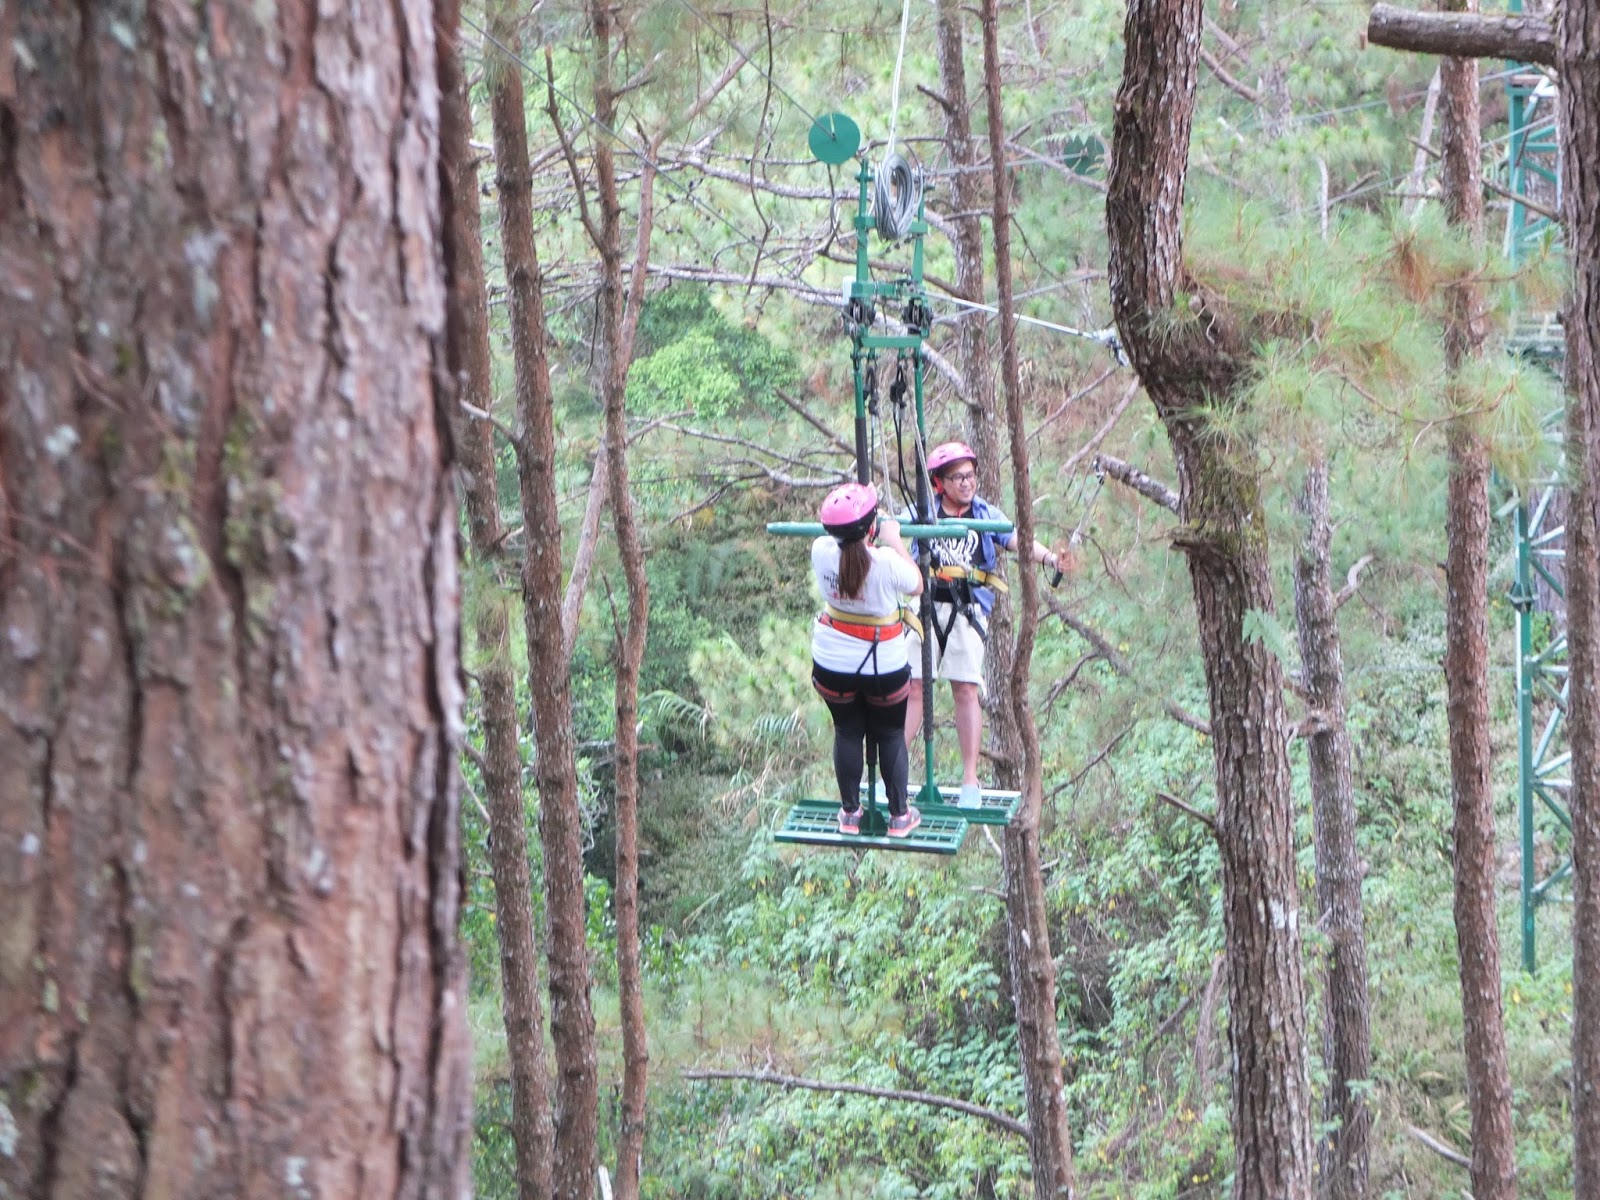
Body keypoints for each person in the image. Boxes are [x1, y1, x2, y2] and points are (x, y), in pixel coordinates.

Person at [904, 442, 1070, 805]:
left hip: (966, 610)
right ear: (940, 483)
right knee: (915, 687)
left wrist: (1050, 560)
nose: (967, 483)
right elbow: (894, 537)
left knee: (965, 689)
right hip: (927, 606)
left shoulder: (984, 513)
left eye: (971, 475)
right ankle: (895, 770)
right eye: (958, 477)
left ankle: (969, 779)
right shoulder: (923, 512)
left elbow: (1016, 540)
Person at [811, 482, 926, 837]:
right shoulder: (888, 561)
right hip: (882, 664)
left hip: (832, 661)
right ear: (871, 526)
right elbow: (917, 583)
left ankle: (849, 813)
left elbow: (846, 545)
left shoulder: (820, 551)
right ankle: (899, 816)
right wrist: (894, 538)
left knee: (847, 730)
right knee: (890, 732)